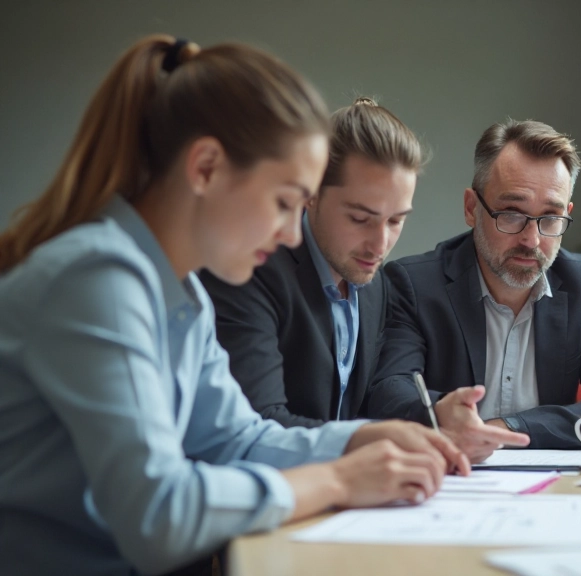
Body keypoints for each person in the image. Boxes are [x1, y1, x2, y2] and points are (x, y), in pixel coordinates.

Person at [0, 36, 469, 576]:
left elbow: (234, 438)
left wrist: (360, 438)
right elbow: (158, 514)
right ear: (205, 168)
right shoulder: (97, 279)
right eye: (283, 201)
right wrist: (338, 479)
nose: (294, 232)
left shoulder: (184, 293)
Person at [367, 119, 581, 457]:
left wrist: (509, 429)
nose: (532, 239)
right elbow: (388, 392)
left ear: (566, 214)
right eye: (512, 214)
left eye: (551, 217)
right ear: (472, 208)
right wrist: (441, 413)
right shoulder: (415, 284)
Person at [201, 98, 420, 427]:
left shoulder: (376, 283)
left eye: (396, 221)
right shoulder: (250, 271)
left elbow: (368, 398)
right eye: (360, 218)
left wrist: (434, 416)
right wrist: (366, 443)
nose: (380, 244)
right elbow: (257, 422)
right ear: (311, 192)